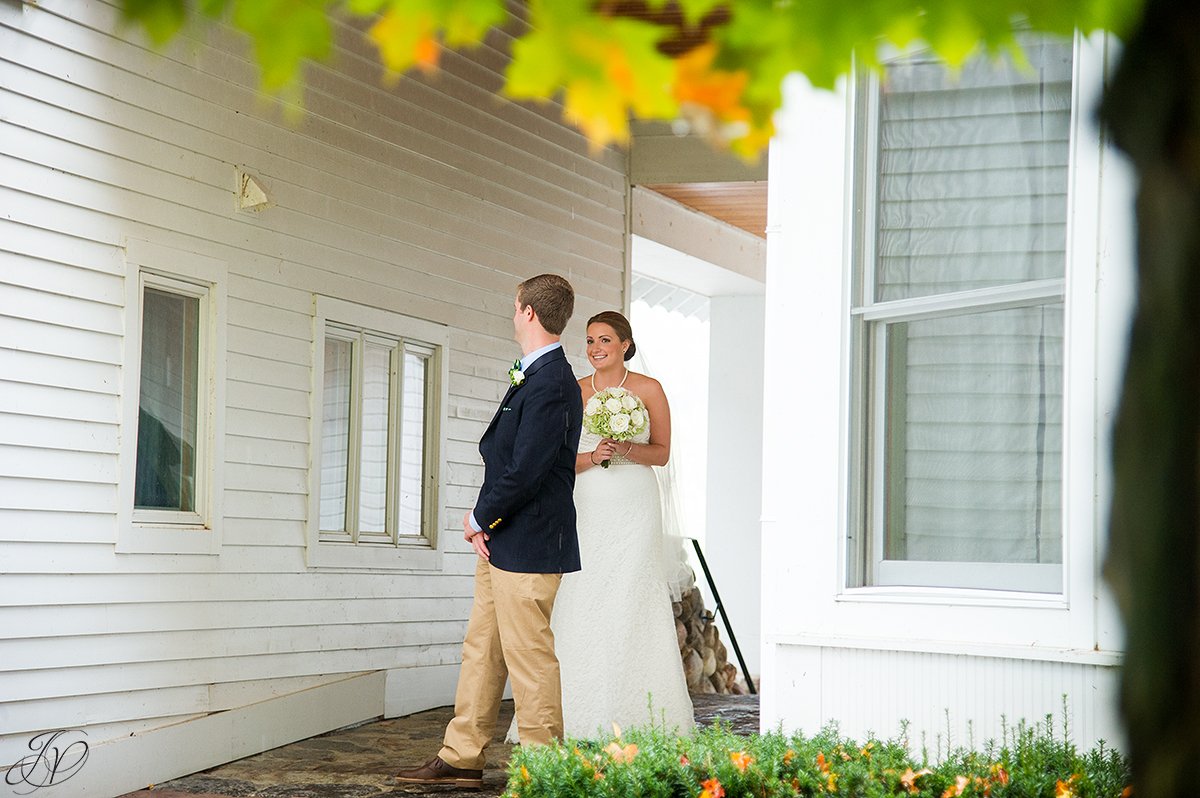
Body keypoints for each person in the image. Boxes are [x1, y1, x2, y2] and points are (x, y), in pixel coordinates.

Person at [396, 274, 583, 789]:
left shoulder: (551, 381)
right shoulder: (536, 374)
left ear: (526, 312)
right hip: (502, 542)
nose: (512, 311)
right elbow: (507, 461)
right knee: (482, 649)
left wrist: (479, 518)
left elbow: (528, 470)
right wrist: (487, 524)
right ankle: (462, 754)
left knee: (530, 661)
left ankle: (546, 770)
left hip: (530, 543)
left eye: (514, 305)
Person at [509, 309, 694, 742]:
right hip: (588, 501)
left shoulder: (650, 389)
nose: (595, 349)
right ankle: (571, 712)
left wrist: (627, 447)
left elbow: (662, 452)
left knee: (632, 594)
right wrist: (593, 457)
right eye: (590, 341)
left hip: (634, 503)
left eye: (604, 340)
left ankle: (643, 714)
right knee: (584, 592)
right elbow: (556, 460)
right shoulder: (573, 391)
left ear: (625, 344)